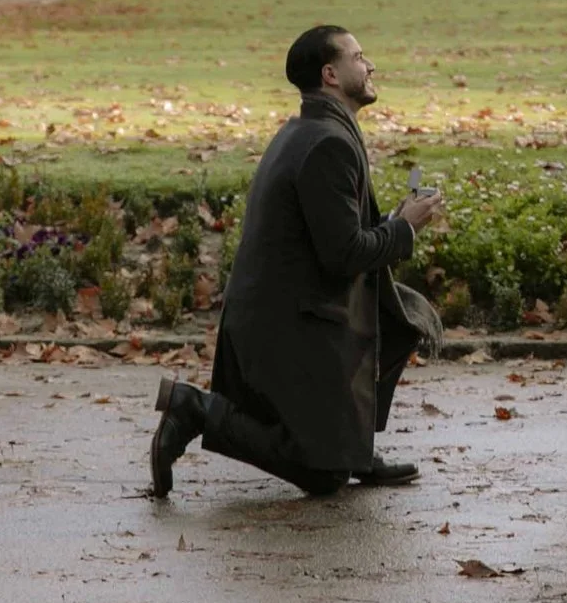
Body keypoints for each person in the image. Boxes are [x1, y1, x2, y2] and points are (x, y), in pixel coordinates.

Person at [148, 25, 445, 497]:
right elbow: (344, 256)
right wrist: (405, 228)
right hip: (288, 329)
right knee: (320, 476)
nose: (369, 66)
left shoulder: (312, 130)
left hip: (295, 310)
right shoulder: (328, 143)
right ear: (331, 74)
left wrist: (392, 221)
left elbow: (334, 236)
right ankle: (195, 409)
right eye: (358, 57)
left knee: (400, 313)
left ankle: (352, 447)